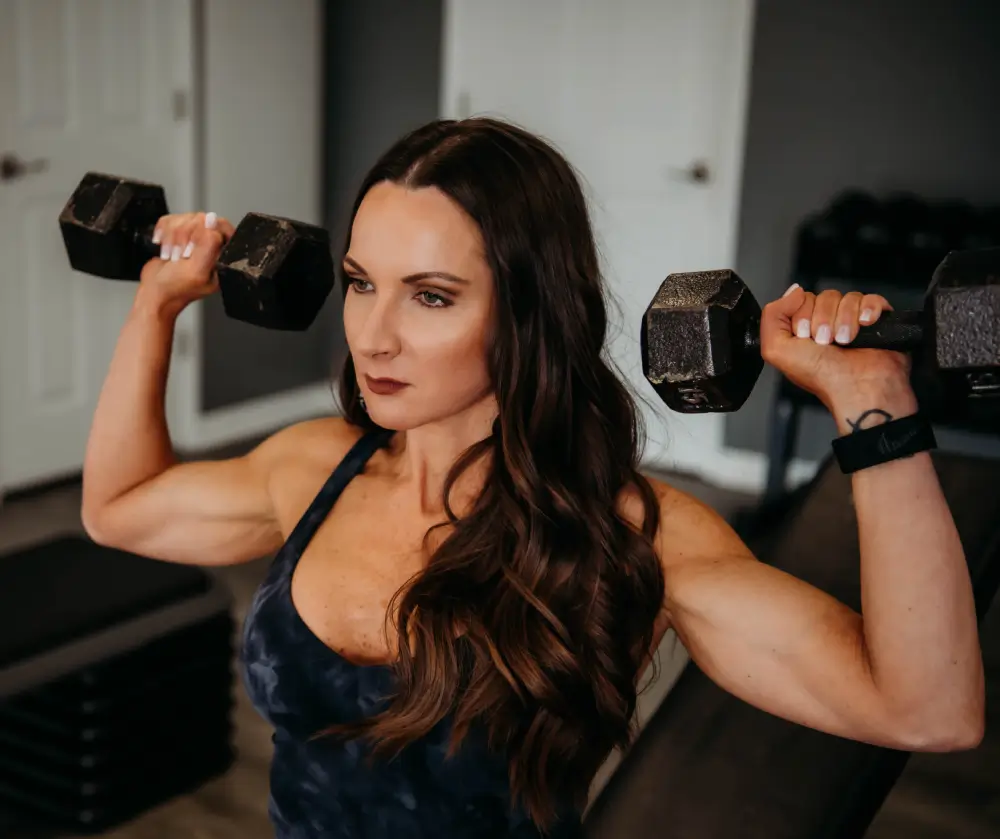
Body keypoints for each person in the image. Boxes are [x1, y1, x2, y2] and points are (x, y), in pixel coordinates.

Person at [81, 118, 985, 839]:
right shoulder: (313, 464)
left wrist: (877, 405)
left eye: (431, 295)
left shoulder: (628, 534)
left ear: (530, 311)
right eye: (362, 282)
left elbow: (924, 710)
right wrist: (155, 306)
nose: (374, 334)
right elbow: (119, 512)